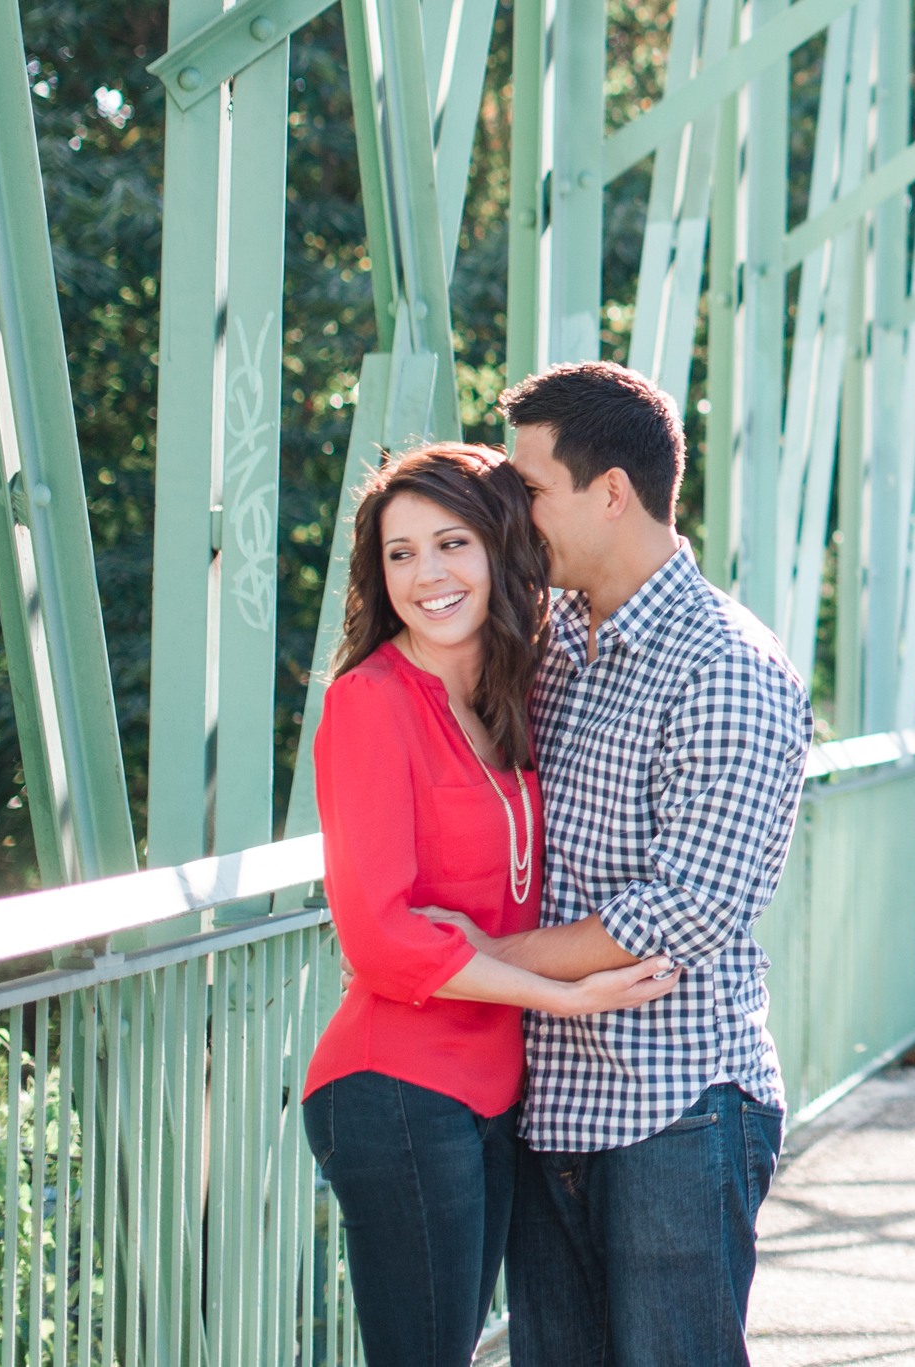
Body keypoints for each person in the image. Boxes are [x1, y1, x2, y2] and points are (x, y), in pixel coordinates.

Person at [439, 362, 814, 1366]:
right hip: (546, 1095)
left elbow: (682, 910)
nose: (509, 515)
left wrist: (480, 956)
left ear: (610, 490)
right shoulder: (548, 643)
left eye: (528, 490)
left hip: (674, 1104)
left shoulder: (726, 665)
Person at [298, 443, 679, 1367]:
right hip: (395, 1084)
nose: (426, 574)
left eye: (451, 542)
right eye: (399, 554)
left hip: (492, 1088)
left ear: (500, 549)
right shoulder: (369, 703)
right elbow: (380, 937)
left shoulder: (512, 695)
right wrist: (566, 994)